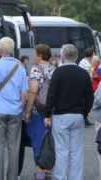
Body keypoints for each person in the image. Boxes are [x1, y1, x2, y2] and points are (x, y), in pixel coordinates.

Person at [44, 44, 94, 180]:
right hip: (78, 115)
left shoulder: (58, 72)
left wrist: (47, 114)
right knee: (77, 151)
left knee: (62, 151)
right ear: (76, 56)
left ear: (63, 56)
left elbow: (51, 95)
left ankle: (60, 177)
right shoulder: (83, 73)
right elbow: (90, 96)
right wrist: (84, 113)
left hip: (61, 115)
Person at [0, 37, 29, 180]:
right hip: (15, 111)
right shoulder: (20, 68)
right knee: (14, 147)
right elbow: (24, 93)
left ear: (1, 50)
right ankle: (12, 177)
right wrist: (20, 107)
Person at [24, 44, 55, 180]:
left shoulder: (36, 70)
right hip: (52, 112)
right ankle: (49, 170)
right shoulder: (54, 69)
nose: (33, 57)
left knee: (38, 141)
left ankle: (40, 172)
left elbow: (33, 91)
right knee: (50, 141)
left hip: (39, 111)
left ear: (41, 55)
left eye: (35, 54)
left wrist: (28, 111)